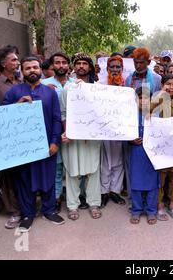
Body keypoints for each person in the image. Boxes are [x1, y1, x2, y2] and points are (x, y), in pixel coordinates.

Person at [3, 56, 64, 232]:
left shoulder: (50, 92)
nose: (32, 71)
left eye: (35, 67)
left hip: (46, 145)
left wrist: (54, 141)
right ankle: (28, 214)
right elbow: (2, 116)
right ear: (22, 71)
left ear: (41, 69)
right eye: (28, 68)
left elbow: (56, 118)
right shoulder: (14, 92)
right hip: (23, 148)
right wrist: (17, 105)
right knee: (24, 180)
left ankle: (49, 210)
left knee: (48, 178)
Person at [59, 53, 102, 220]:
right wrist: (67, 132)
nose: (81, 66)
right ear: (74, 67)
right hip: (72, 137)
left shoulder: (98, 88)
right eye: (78, 64)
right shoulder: (68, 88)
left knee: (93, 170)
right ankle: (72, 205)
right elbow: (63, 113)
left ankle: (93, 203)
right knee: (72, 171)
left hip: (92, 137)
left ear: (90, 67)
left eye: (85, 63)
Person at [0, 46, 23, 229]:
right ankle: (13, 212)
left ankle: (26, 206)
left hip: (25, 136)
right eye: (14, 60)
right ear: (3, 63)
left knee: (23, 173)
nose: (17, 62)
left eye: (18, 60)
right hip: (5, 137)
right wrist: (14, 107)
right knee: (7, 176)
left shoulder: (22, 80)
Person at [41, 52, 74, 213]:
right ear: (52, 65)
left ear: (68, 65)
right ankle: (56, 197)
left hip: (72, 131)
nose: (61, 66)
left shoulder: (76, 83)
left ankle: (75, 197)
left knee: (73, 164)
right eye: (57, 63)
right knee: (57, 165)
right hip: (53, 130)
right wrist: (43, 90)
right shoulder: (43, 83)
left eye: (64, 63)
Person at [153, 74, 173, 221]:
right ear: (162, 85)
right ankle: (159, 205)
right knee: (161, 176)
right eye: (168, 84)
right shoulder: (156, 99)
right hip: (161, 145)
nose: (171, 87)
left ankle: (172, 204)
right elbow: (149, 112)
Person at [129, 87, 160, 225]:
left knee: (152, 182)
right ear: (136, 99)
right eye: (141, 98)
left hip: (152, 154)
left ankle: (151, 211)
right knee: (136, 181)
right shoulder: (129, 115)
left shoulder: (157, 115)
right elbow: (120, 132)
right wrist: (131, 140)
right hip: (136, 152)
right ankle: (136, 210)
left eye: (147, 98)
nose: (143, 101)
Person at [100, 55, 127, 207]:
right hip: (103, 129)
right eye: (112, 67)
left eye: (118, 67)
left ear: (122, 69)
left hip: (120, 129)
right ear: (107, 69)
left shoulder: (126, 86)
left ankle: (115, 191)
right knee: (105, 162)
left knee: (118, 161)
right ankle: (104, 192)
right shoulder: (100, 84)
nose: (115, 70)